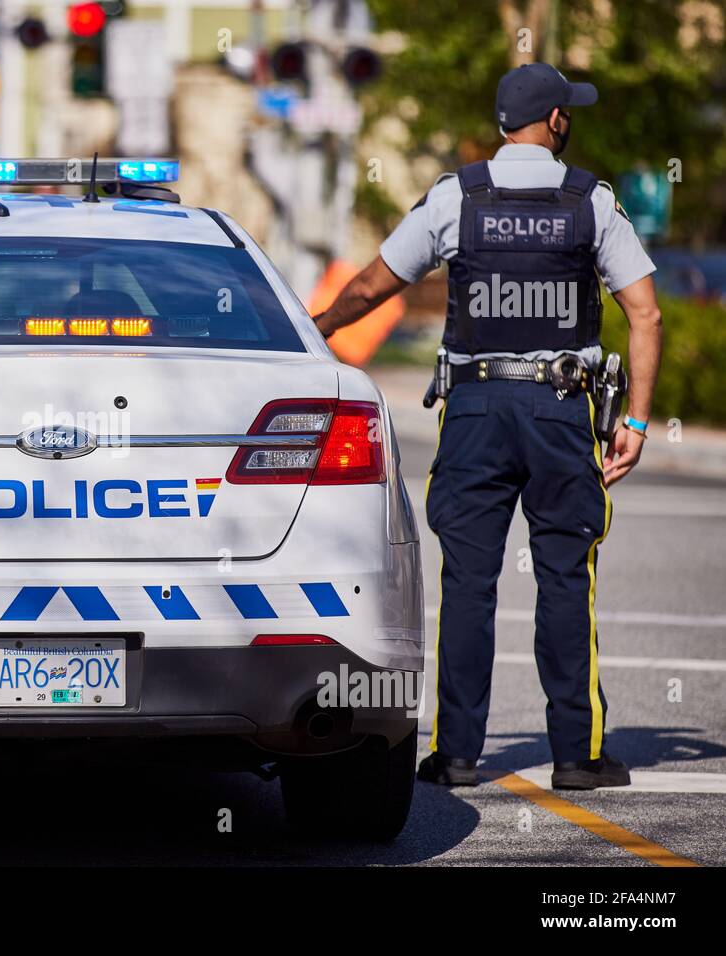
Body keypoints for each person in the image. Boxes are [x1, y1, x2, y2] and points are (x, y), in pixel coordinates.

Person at [313, 63, 663, 790]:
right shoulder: (589, 201)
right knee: (567, 578)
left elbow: (374, 286)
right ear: (556, 121)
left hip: (474, 411)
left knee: (468, 583)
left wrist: (309, 332)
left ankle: (459, 755)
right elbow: (646, 313)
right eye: (569, 111)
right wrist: (634, 417)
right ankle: (576, 756)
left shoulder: (456, 197)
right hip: (560, 412)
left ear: (507, 125)